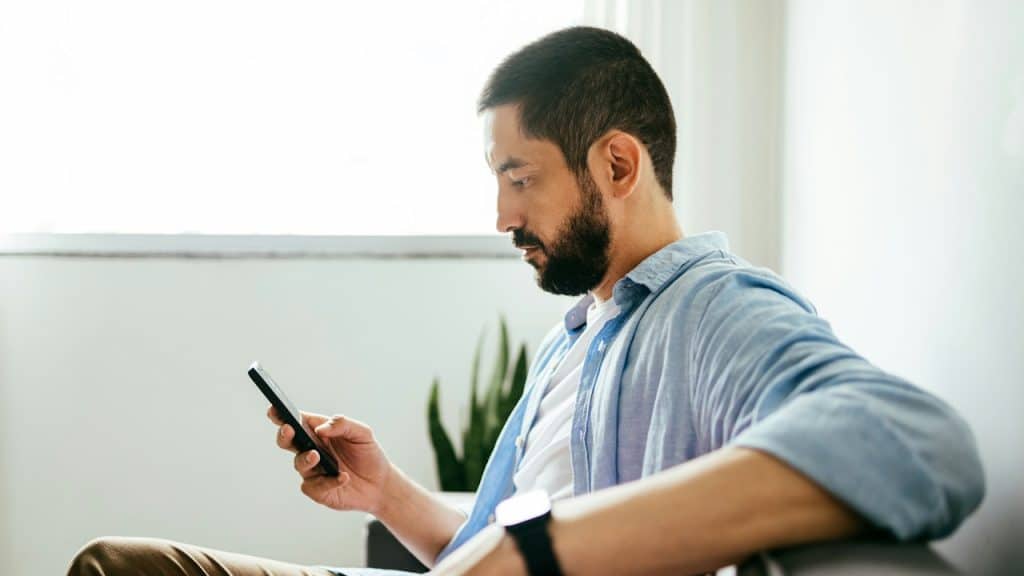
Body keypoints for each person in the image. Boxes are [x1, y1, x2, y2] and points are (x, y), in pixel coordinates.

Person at [67, 26, 984, 576]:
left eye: (519, 177)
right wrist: (388, 496)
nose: (501, 214)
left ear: (618, 163)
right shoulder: (574, 338)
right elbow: (482, 552)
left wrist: (544, 551)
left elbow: (916, 439)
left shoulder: (714, 309)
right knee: (121, 566)